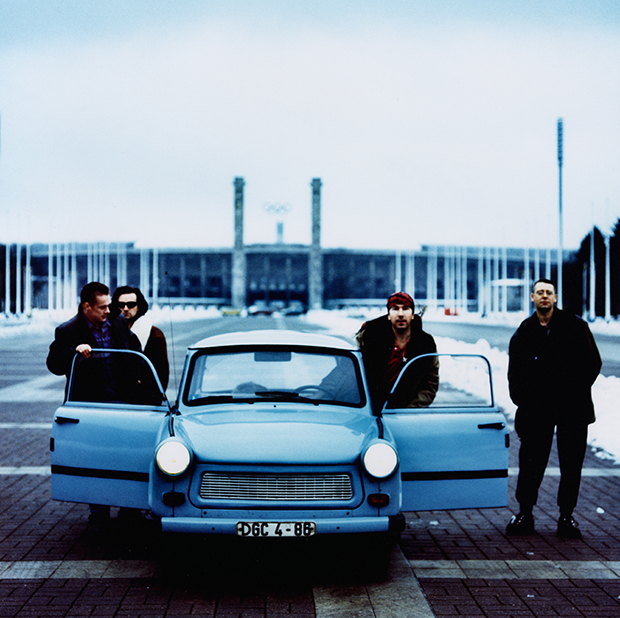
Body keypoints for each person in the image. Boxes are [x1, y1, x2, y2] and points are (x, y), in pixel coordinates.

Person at [506, 278, 601, 539]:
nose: (544, 297)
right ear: (532, 298)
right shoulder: (525, 331)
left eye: (548, 292)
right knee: (530, 463)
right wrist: (523, 400)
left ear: (555, 298)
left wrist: (575, 391)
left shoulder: (575, 326)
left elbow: (593, 363)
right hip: (537, 409)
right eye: (539, 293)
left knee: (572, 464)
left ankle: (566, 516)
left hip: (572, 408)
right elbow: (515, 372)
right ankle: (524, 512)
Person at [47, 281, 141, 523]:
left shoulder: (118, 321)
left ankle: (129, 508)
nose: (108, 311)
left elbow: (133, 346)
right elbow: (54, 364)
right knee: (97, 458)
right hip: (92, 406)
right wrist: (74, 352)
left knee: (126, 455)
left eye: (109, 306)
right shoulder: (68, 330)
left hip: (123, 400)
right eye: (102, 307)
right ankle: (98, 511)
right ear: (86, 306)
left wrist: (137, 375)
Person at [355, 291, 439, 413]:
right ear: (389, 315)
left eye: (405, 309)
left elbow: (430, 384)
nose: (400, 314)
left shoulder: (425, 344)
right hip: (369, 409)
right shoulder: (371, 339)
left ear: (412, 314)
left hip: (405, 415)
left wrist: (408, 411)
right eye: (395, 309)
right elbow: (351, 375)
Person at [111, 285, 169, 390]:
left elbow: (161, 372)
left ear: (138, 307)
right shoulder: (108, 329)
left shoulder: (154, 334)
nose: (125, 309)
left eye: (131, 305)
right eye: (121, 305)